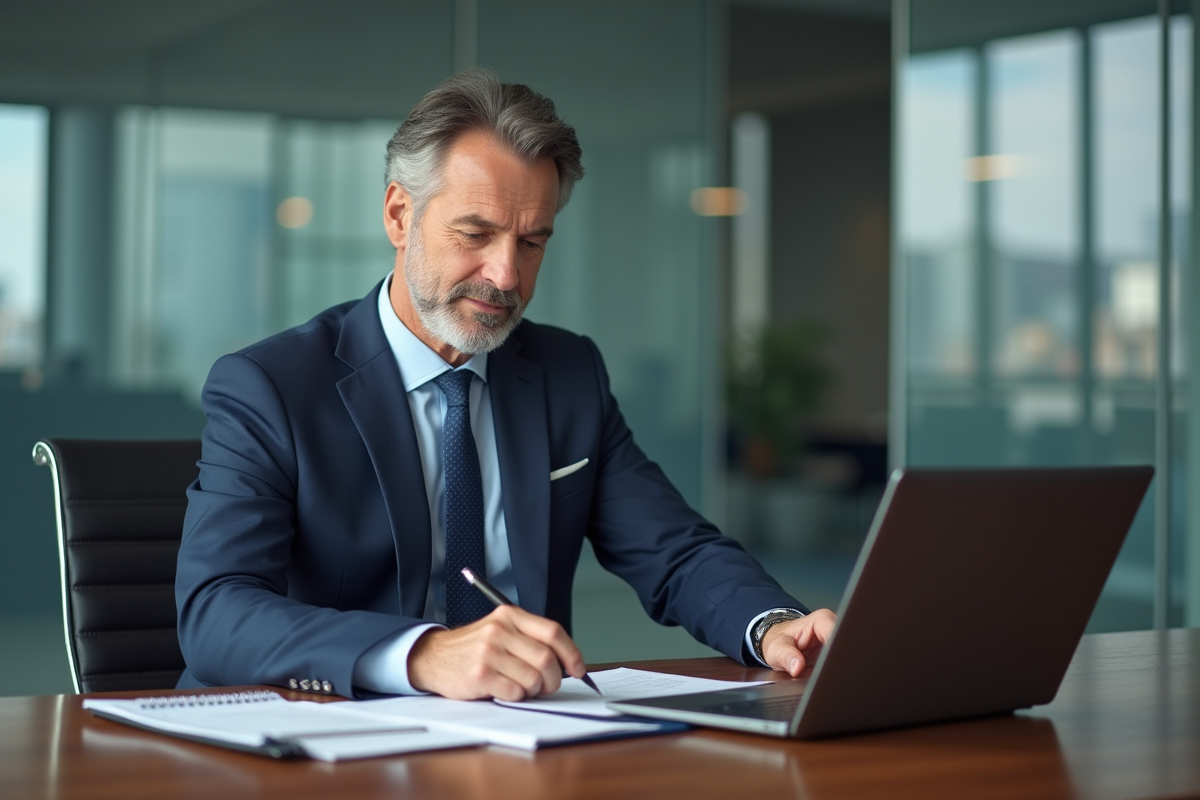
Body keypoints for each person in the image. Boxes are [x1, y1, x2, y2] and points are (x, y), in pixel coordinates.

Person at [175, 69, 836, 701]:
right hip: (332, 733)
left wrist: (773, 626)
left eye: (531, 243)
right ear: (400, 215)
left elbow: (674, 550)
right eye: (476, 234)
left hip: (522, 733)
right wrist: (423, 655)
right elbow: (216, 609)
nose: (506, 276)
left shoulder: (568, 373)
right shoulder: (271, 386)